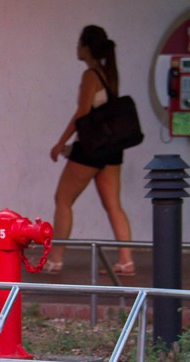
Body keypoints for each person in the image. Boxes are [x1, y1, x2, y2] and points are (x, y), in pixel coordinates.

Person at [44, 25, 135, 276]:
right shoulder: (108, 73)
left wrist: (61, 143)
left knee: (63, 199)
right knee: (113, 205)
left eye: (79, 43)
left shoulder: (91, 75)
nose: (76, 48)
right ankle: (126, 261)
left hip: (91, 150)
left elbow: (82, 114)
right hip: (111, 150)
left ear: (86, 47)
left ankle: (55, 259)